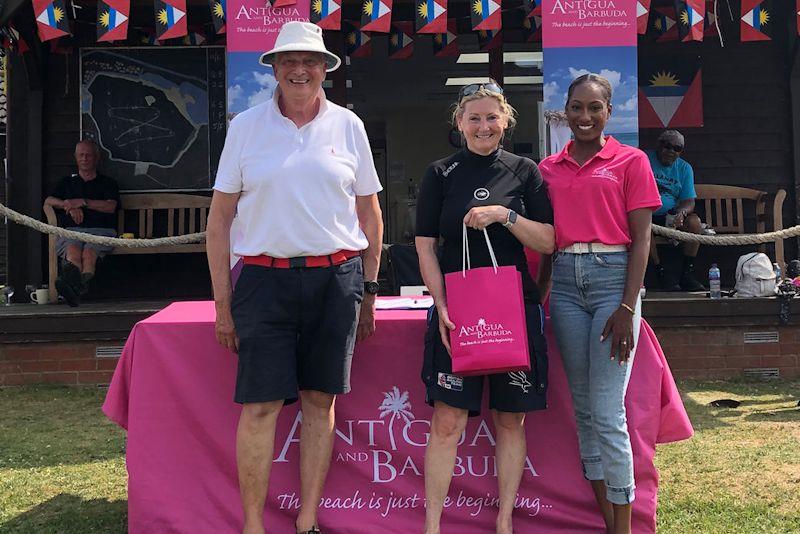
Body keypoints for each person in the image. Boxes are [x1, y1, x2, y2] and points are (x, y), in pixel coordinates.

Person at [205, 22, 383, 534]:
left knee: (319, 402)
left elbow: (370, 215)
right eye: (288, 61)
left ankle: (308, 522)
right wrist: (223, 304)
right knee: (260, 407)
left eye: (311, 61)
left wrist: (368, 291)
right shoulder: (246, 128)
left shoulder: (349, 125)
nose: (300, 70)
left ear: (326, 68)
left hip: (337, 280)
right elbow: (218, 223)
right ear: (275, 68)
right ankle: (254, 526)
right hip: (263, 280)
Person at [415, 80, 556, 534]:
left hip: (515, 309)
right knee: (448, 420)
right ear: (459, 123)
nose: (483, 126)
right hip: (458, 312)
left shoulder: (525, 171)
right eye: (473, 118)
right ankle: (433, 526)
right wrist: (441, 306)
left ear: (506, 120)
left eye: (491, 117)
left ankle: (504, 522)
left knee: (510, 419)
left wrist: (504, 215)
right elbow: (424, 247)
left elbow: (549, 240)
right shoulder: (440, 174)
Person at [538, 74, 661, 534]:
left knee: (609, 412)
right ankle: (607, 521)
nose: (585, 117)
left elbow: (643, 236)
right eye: (576, 108)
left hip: (614, 282)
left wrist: (629, 307)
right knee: (585, 409)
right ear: (564, 112)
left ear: (609, 112)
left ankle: (625, 528)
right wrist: (542, 292)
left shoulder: (632, 161)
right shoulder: (549, 168)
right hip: (567, 285)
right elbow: (548, 240)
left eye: (594, 108)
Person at [44, 139, 119, 306]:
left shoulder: (108, 183)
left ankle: (73, 291)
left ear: (96, 158)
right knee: (72, 251)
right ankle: (76, 290)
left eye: (88, 155)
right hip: (73, 231)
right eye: (81, 155)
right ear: (76, 158)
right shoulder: (67, 183)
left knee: (88, 253)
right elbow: (49, 200)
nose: (85, 159)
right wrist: (68, 205)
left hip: (101, 231)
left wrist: (83, 202)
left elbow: (110, 206)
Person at [647, 129, 705, 291]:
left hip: (671, 217)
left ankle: (687, 274)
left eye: (677, 148)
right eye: (667, 146)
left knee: (694, 223)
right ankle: (660, 272)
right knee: (643, 225)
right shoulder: (643, 159)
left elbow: (688, 201)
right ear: (659, 145)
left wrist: (682, 213)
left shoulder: (684, 168)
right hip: (647, 215)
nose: (671, 151)